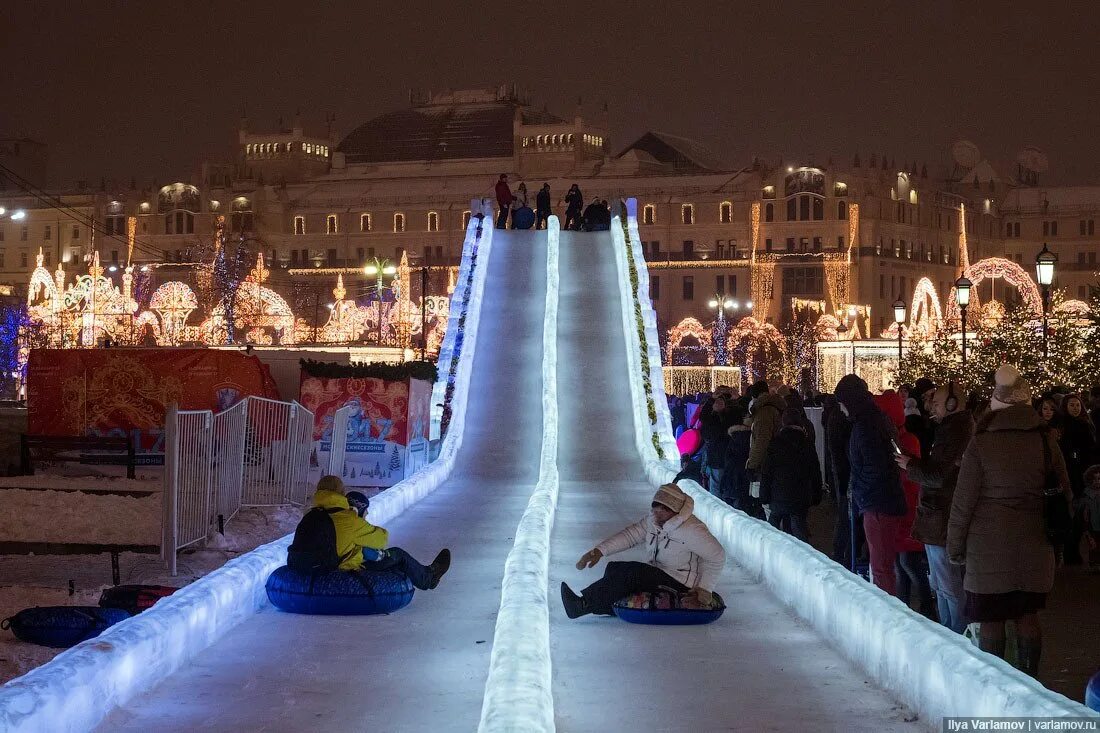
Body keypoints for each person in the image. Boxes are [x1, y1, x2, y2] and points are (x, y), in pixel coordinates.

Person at [948, 364, 1071, 676]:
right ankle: (1030, 680)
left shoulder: (981, 442)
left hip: (987, 546)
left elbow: (963, 502)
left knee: (991, 618)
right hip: (1035, 541)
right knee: (1027, 613)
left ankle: (996, 683)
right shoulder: (1044, 440)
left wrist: (955, 545)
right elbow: (1065, 491)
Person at [561, 483, 725, 618]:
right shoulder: (653, 521)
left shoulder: (691, 529)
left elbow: (717, 556)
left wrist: (703, 591)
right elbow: (631, 536)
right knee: (615, 568)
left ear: (675, 510)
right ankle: (606, 605)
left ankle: (582, 605)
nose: (658, 512)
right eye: (655, 507)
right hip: (659, 573)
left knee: (632, 572)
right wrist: (599, 551)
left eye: (664, 509)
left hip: (681, 583)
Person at [897, 383, 975, 634]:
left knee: (949, 585)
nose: (933, 407)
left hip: (942, 516)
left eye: (939, 403)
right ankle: (947, 632)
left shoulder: (956, 432)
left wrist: (911, 465)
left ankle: (955, 636)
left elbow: (939, 475)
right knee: (942, 584)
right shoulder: (950, 429)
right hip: (937, 515)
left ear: (953, 404)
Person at [292, 476, 452, 591]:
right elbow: (382, 539)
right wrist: (360, 519)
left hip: (312, 568)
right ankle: (429, 577)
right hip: (341, 569)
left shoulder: (310, 515)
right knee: (397, 555)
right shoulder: (348, 519)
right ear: (341, 494)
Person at [834, 374, 908, 595]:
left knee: (881, 566)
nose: (841, 409)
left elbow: (875, 466)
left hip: (877, 503)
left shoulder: (866, 425)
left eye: (841, 404)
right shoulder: (874, 420)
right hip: (880, 500)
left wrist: (861, 494)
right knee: (881, 564)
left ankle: (887, 616)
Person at [876, 391, 935, 619]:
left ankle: (925, 610)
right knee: (903, 564)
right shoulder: (901, 439)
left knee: (909, 563)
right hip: (904, 505)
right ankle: (909, 610)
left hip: (907, 507)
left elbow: (911, 475)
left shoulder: (905, 440)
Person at [758, 408, 822, 541]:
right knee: (799, 531)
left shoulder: (775, 444)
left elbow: (767, 472)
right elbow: (815, 471)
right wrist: (816, 495)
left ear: (783, 422)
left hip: (778, 495)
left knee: (772, 531)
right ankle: (803, 558)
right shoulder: (807, 444)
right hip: (800, 496)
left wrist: (764, 495)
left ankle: (768, 555)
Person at [745, 381, 784, 476]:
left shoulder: (764, 412)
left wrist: (752, 465)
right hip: (775, 459)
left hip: (766, 462)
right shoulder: (774, 406)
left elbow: (761, 440)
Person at [720, 405, 753, 512]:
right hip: (745, 475)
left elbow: (727, 458)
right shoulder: (752, 439)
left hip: (731, 476)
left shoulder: (734, 437)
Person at [699, 396, 731, 495]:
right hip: (719, 456)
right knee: (717, 483)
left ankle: (717, 505)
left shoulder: (719, 418)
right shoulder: (724, 417)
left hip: (718, 456)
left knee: (716, 484)